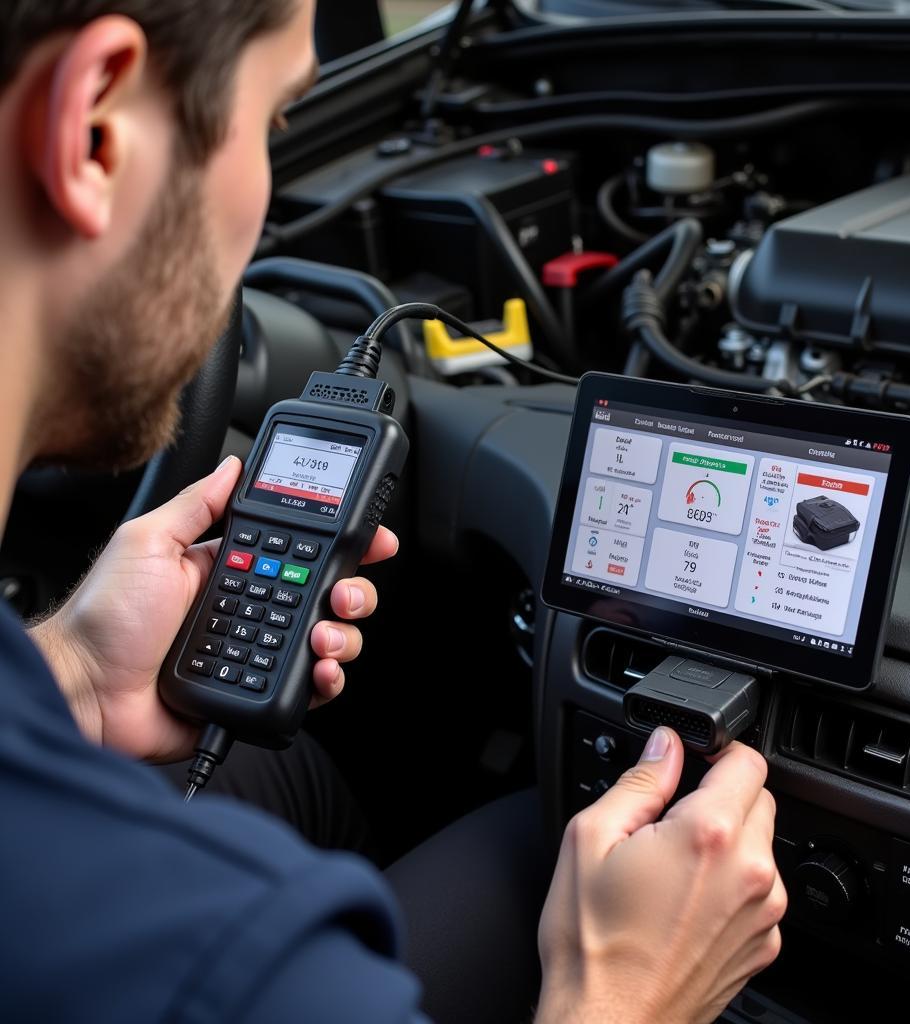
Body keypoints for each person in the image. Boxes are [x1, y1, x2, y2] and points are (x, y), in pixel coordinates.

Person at [0, 2, 786, 1021]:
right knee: (536, 839)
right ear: (95, 131)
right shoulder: (243, 968)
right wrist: (634, 989)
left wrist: (74, 677)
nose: (268, 186)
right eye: (276, 119)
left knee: (304, 779)